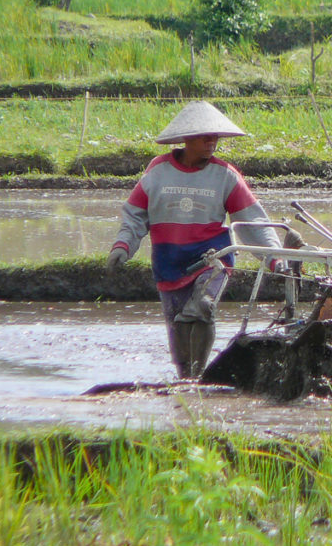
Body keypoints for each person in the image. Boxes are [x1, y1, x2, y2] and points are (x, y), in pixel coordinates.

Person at [106, 100, 284, 379]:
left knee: (203, 308)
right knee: (177, 327)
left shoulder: (225, 175)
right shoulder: (157, 173)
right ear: (187, 138)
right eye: (205, 136)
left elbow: (253, 222)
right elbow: (135, 215)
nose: (212, 142)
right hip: (168, 263)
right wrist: (123, 245)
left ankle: (199, 378)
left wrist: (275, 256)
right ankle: (185, 380)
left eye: (215, 136)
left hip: (212, 259)